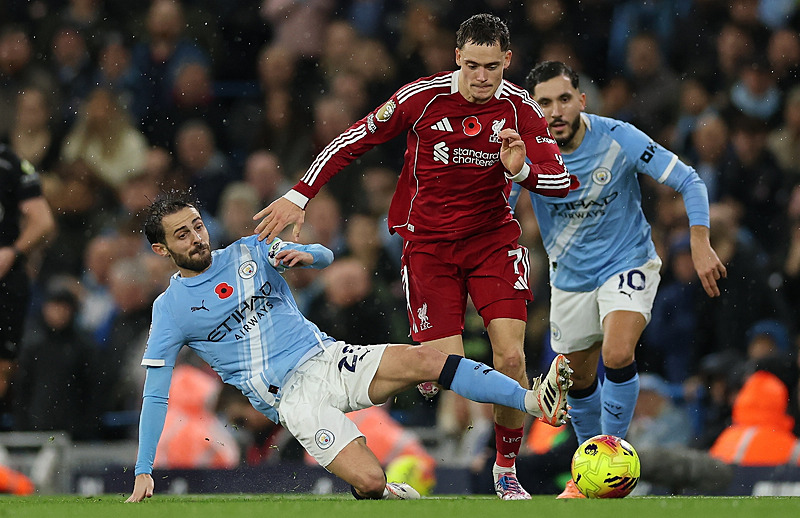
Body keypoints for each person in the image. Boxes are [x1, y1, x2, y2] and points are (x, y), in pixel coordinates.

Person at [253, 13, 572, 500]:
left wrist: (522, 168)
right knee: (449, 369)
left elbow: (561, 181)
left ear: (508, 60)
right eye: (472, 65)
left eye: (492, 66)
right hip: (428, 248)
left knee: (511, 356)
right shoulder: (421, 98)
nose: (482, 77)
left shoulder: (522, 111)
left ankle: (506, 470)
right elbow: (354, 137)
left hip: (493, 241)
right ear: (456, 58)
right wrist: (300, 194)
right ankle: (427, 371)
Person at [126, 191, 572, 503]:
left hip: (327, 357)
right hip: (293, 400)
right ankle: (378, 493)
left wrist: (309, 255)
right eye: (181, 235)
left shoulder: (247, 252)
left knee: (424, 358)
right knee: (371, 480)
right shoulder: (170, 310)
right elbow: (156, 392)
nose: (196, 238)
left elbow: (326, 256)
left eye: (197, 226)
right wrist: (144, 468)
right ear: (161, 250)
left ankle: (534, 401)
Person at [518, 61, 727, 498]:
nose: (555, 110)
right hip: (569, 279)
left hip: (627, 262)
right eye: (543, 102)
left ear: (581, 101)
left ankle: (614, 465)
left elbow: (689, 180)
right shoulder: (526, 152)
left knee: (617, 353)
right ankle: (588, 473)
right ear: (531, 107)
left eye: (563, 99)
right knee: (577, 380)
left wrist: (700, 239)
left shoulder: (618, 138)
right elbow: (494, 207)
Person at [0, 144, 56, 414]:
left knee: (3, 364)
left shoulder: (10, 164)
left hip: (5, 280)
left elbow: (43, 221)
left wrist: (13, 251)